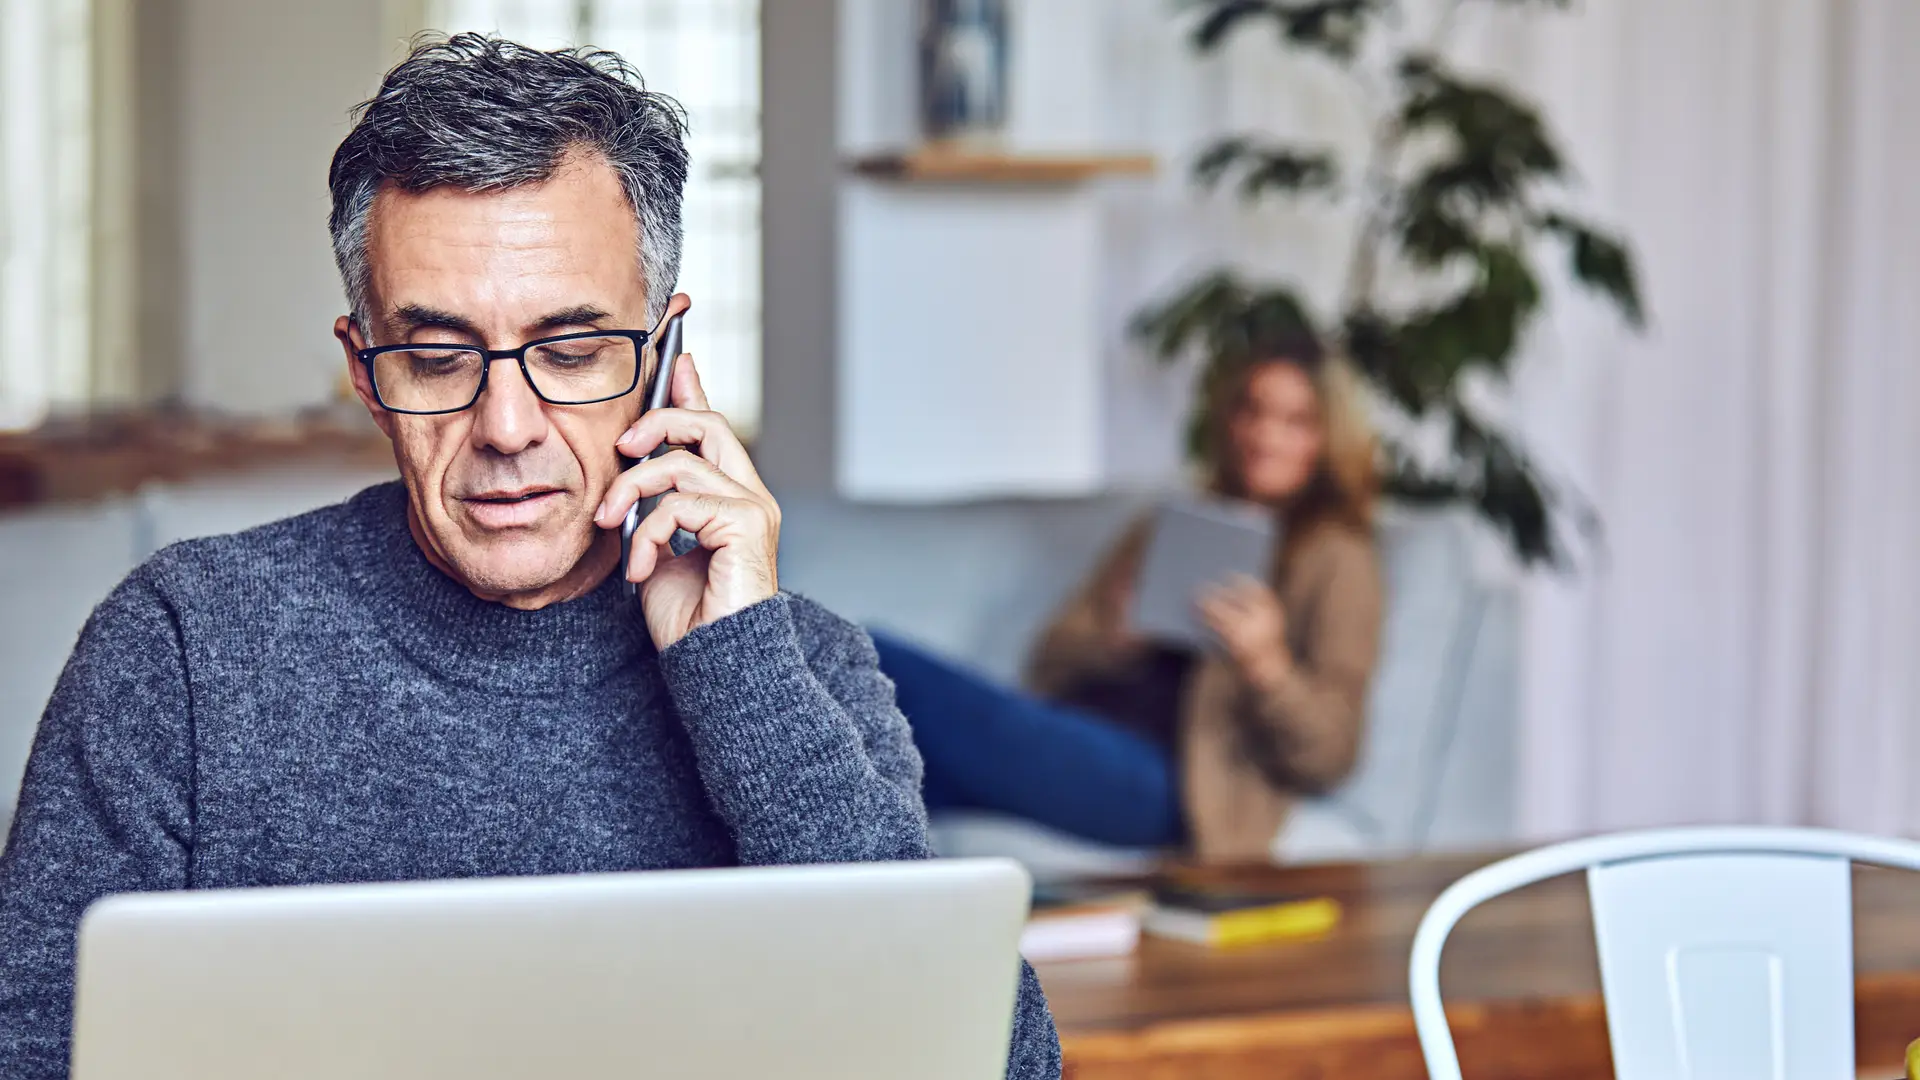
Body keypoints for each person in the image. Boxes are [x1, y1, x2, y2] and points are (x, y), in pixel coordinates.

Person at [0, 35, 1058, 1079]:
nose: (508, 425)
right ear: (366, 374)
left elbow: (991, 1063)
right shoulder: (182, 649)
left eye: (571, 351)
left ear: (664, 356)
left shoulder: (801, 670)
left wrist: (739, 674)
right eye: (435, 356)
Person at [877, 337, 1383, 863]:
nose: (1263, 435)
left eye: (1294, 421)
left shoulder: (1338, 557)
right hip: (1083, 730)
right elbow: (1049, 663)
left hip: (1175, 781)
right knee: (887, 772)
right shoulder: (1171, 525)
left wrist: (1267, 665)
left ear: (1327, 440)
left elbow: (1332, 754)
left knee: (875, 661)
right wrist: (1115, 638)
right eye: (1251, 410)